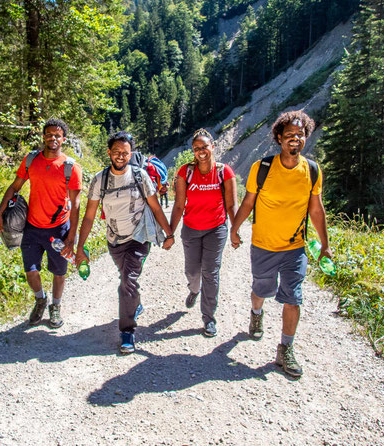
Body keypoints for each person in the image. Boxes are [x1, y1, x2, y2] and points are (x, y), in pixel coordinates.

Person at [229, 110, 332, 378]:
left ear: (306, 137)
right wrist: (235, 229)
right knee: (261, 289)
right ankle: (256, 312)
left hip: (295, 247)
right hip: (263, 244)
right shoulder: (262, 168)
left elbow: (317, 210)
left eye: (300, 135)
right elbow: (248, 202)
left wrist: (325, 245)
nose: (295, 139)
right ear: (279, 138)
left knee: (293, 297)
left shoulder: (312, 170)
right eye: (289, 135)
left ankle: (285, 348)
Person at [75, 131, 174, 354]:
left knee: (127, 280)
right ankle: (134, 305)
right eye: (117, 152)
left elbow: (156, 207)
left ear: (131, 154)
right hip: (114, 240)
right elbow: (89, 215)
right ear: (109, 152)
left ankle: (127, 331)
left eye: (125, 153)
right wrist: (80, 247)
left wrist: (168, 233)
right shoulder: (100, 180)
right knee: (126, 279)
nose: (121, 156)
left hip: (138, 237)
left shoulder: (140, 176)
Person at [0, 118, 82, 329]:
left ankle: (56, 307)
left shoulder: (71, 167)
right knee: (31, 270)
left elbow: (76, 204)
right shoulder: (31, 160)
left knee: (59, 272)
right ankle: (40, 300)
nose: (53, 138)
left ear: (64, 139)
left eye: (57, 135)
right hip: (32, 227)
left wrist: (72, 237)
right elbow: (14, 187)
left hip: (59, 228)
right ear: (43, 136)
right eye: (49, 134)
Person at [170, 129, 238, 337]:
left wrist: (235, 231)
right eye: (196, 148)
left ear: (213, 147)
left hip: (216, 229)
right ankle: (193, 290)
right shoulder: (185, 172)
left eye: (204, 147)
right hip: (191, 229)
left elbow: (232, 205)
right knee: (192, 271)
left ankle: (208, 318)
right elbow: (179, 205)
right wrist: (170, 232)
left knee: (211, 272)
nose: (201, 151)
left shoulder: (224, 172)